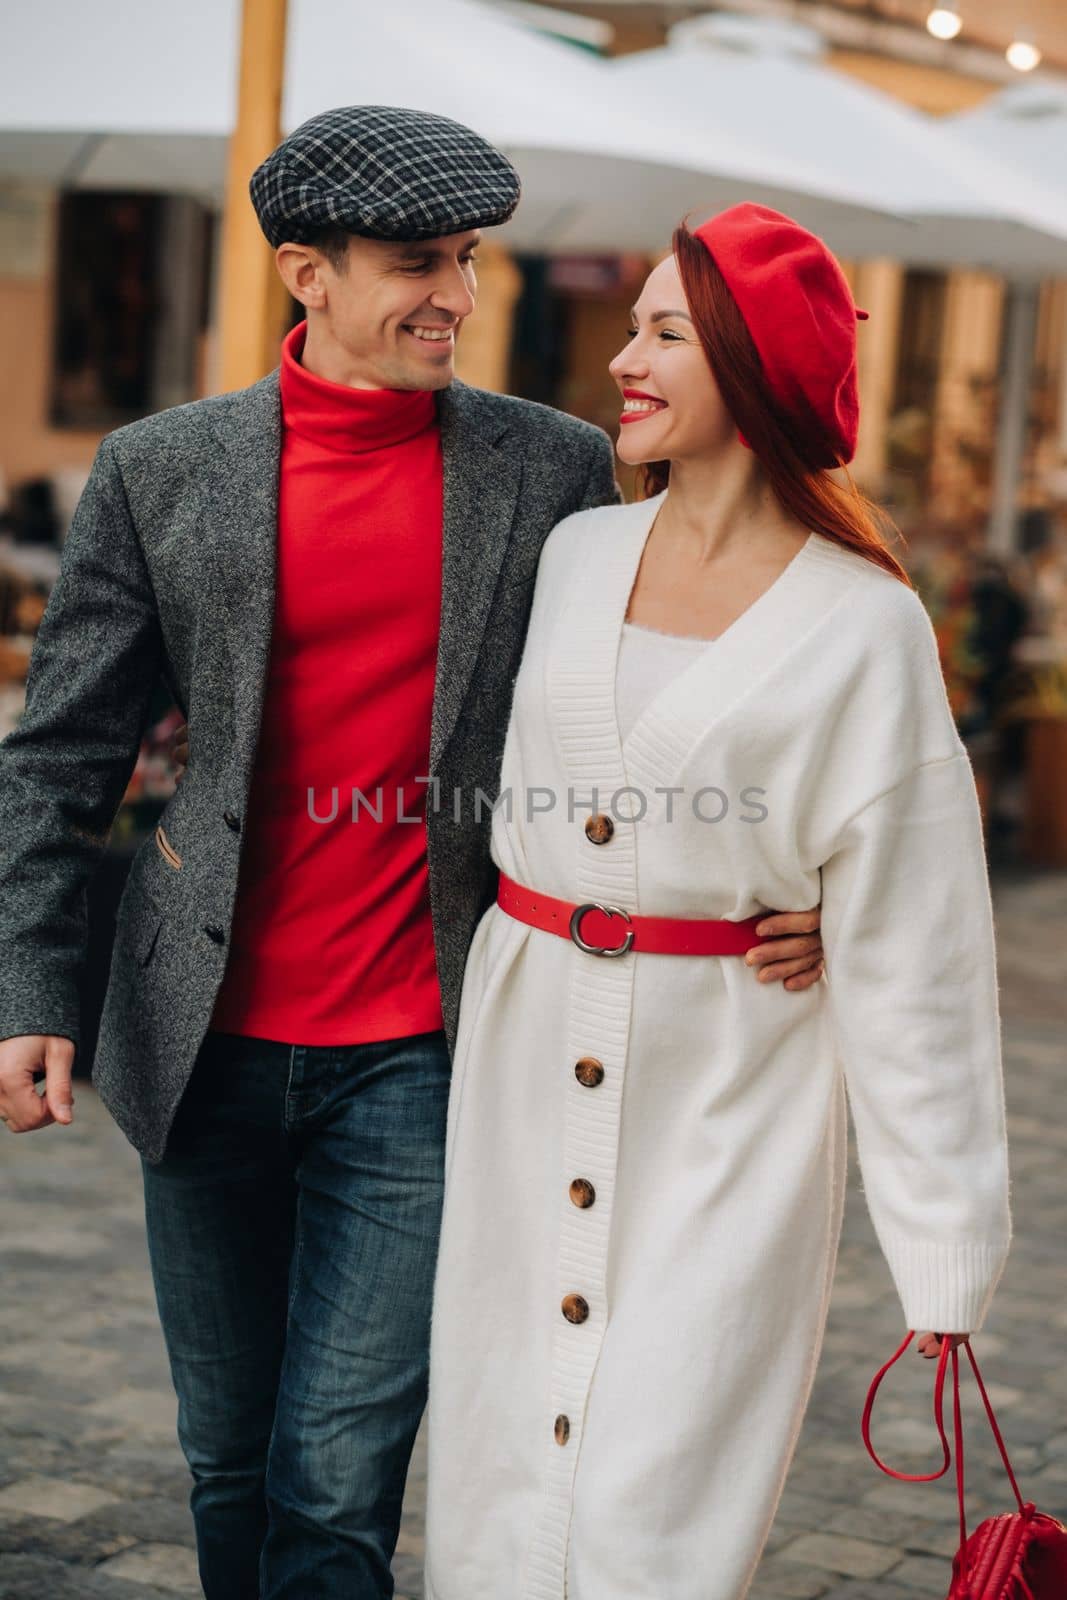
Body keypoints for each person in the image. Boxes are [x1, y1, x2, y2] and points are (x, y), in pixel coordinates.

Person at [0, 111, 825, 1599]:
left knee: (337, 1472)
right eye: (413, 264)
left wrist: (800, 878)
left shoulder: (558, 469)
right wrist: (28, 986)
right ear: (305, 274)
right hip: (200, 1045)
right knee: (227, 1456)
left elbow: (680, 682)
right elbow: (60, 754)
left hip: (428, 1051)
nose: (454, 290)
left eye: (464, 259)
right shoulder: (160, 469)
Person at [421, 203, 1013, 1600]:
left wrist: (941, 1257)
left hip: (731, 1091)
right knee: (501, 1455)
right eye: (631, 326)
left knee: (659, 1487)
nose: (623, 359)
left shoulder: (865, 625)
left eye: (666, 332)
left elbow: (921, 947)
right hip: (523, 1066)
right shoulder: (576, 556)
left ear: (748, 371)